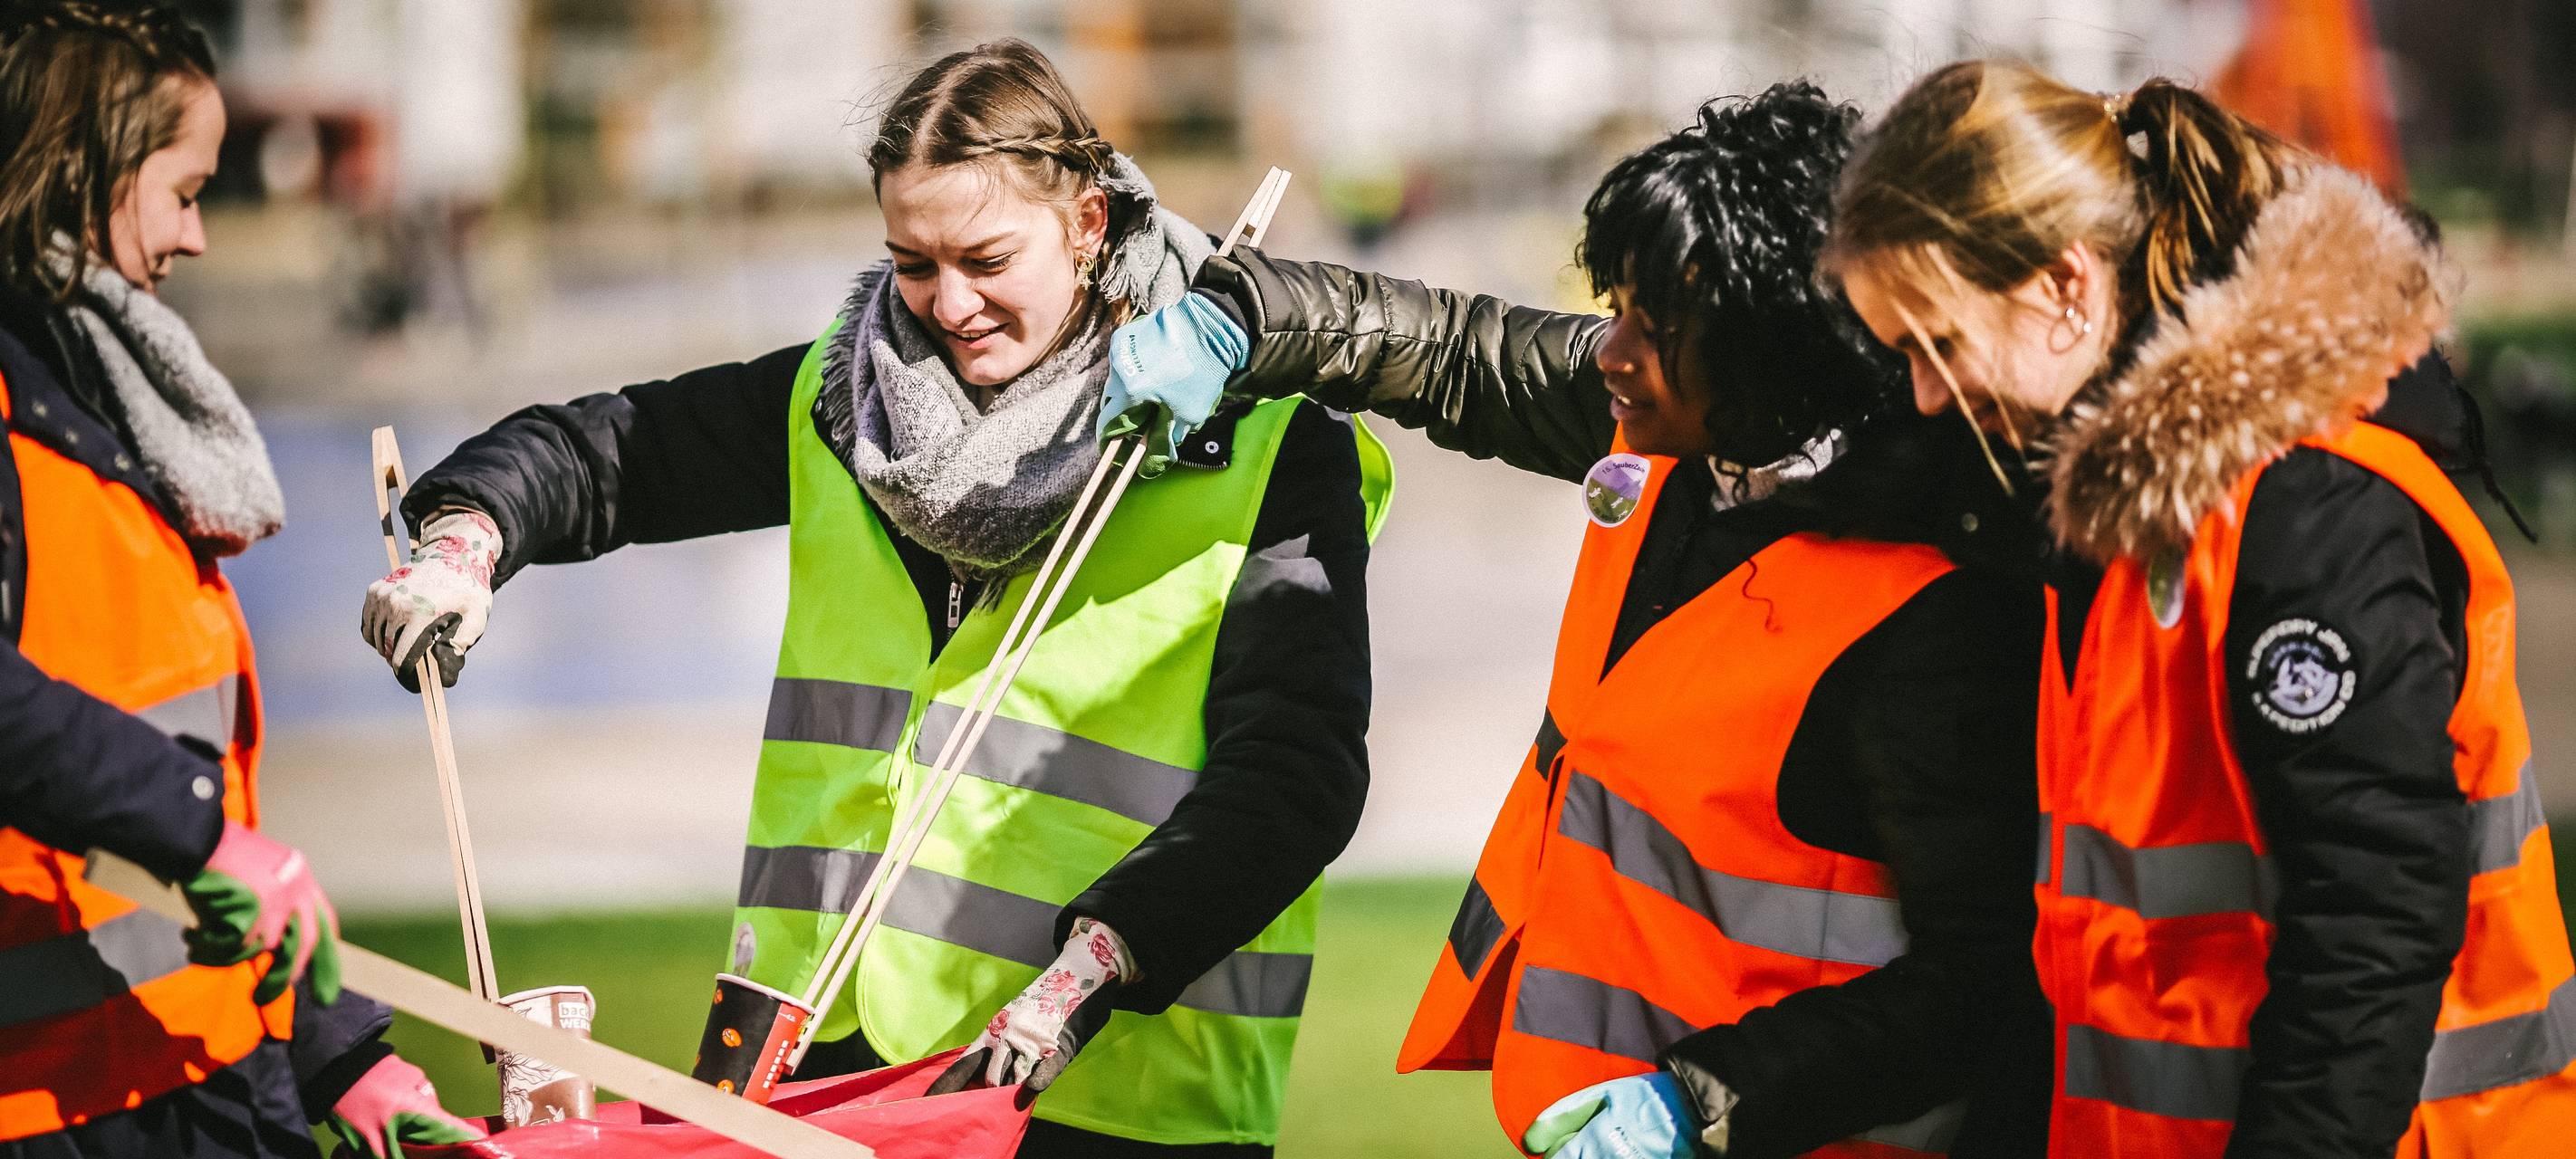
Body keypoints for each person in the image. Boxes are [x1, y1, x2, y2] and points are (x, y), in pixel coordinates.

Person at [360, 39, 1390, 1157]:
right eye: (911, 263)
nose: (949, 306)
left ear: (1089, 224)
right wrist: (467, 538)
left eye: (987, 259)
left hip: (1110, 1089)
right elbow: (607, 454)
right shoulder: (844, 396)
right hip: (813, 1056)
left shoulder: (1270, 443)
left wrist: (1099, 961)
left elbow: (1297, 771)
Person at [1104, 83, 2051, 1158]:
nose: (1610, 351)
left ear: (1773, 342)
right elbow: (1461, 351)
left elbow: (1981, 979)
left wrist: (1705, 1102)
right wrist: (1250, 316)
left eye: (1655, 327)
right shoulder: (1683, 435)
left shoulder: (1935, 618)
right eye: (1616, 307)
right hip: (1589, 1117)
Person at [1823, 61, 2576, 1156]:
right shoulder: (2117, 504)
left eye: (1935, 343)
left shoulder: (2307, 506)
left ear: (2066, 287)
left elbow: (2373, 921)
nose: (1931, 395)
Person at [0, 5, 479, 1157]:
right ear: (80, 174)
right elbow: (187, 817)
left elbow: (194, 772)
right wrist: (199, 834)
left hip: (211, 1077)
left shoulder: (110, 402)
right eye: (183, 188)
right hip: (54, 1108)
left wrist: (338, 1051)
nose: (201, 235)